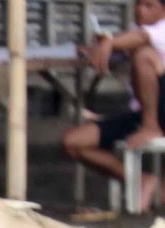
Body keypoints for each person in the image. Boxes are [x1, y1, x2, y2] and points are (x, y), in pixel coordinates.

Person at [67, 0, 165, 205]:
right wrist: (98, 47)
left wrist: (110, 42)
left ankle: (151, 127)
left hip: (157, 114)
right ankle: (141, 181)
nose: (139, 10)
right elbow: (128, 40)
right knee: (74, 142)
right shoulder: (136, 31)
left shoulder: (160, 30)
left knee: (143, 56)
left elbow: (139, 39)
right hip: (144, 111)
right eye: (138, 4)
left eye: (148, 5)